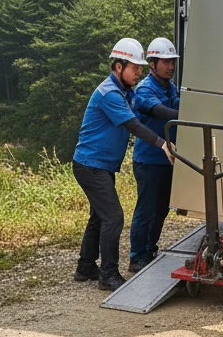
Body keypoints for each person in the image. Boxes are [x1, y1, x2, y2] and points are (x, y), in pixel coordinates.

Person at [72, 38, 174, 290]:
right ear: (119, 66)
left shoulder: (127, 92)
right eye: (134, 68)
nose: (138, 73)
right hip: (90, 165)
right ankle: (108, 275)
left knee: (99, 216)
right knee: (114, 217)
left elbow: (147, 108)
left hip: (100, 165)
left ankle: (86, 267)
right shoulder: (110, 93)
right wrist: (162, 143)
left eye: (140, 68)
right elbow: (133, 124)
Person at [128, 37, 181, 272]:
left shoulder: (172, 87)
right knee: (146, 210)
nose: (170, 66)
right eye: (165, 62)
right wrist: (189, 114)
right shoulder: (145, 89)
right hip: (148, 160)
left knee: (161, 209)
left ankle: (150, 249)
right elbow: (159, 111)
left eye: (173, 62)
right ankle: (137, 257)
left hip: (168, 160)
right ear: (152, 63)